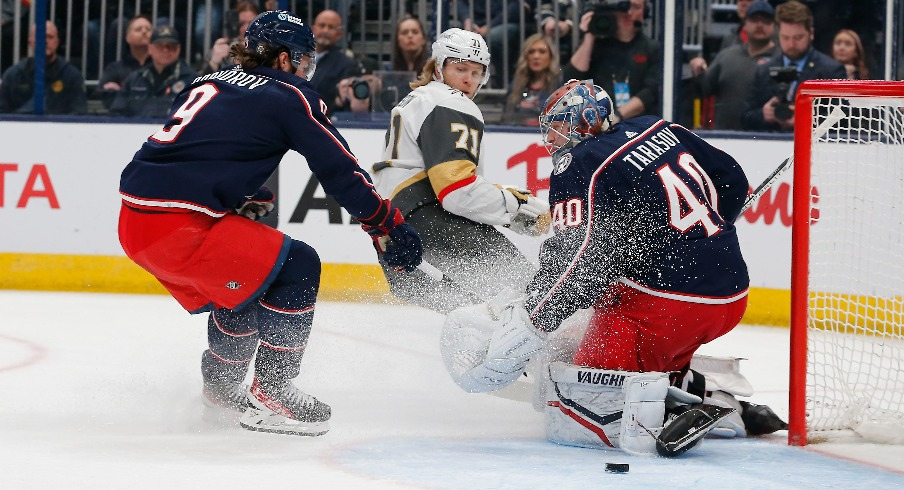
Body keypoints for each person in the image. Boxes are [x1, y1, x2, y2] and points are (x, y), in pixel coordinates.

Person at [118, 10, 423, 437]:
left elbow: (198, 143)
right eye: (301, 59)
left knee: (247, 284)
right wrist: (387, 223)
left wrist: (244, 191)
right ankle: (273, 392)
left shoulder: (208, 81)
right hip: (180, 225)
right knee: (297, 266)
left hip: (135, 221)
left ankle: (222, 390)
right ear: (282, 59)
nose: (304, 70)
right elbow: (340, 171)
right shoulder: (289, 95)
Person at [439, 79, 767, 456]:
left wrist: (534, 320)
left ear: (585, 120)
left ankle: (657, 412)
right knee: (614, 294)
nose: (553, 138)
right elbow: (734, 182)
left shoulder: (579, 164)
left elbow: (573, 256)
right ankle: (711, 396)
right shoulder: (657, 126)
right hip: (732, 295)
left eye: (560, 125)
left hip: (667, 308)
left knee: (570, 399)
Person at [370, 28, 550, 314]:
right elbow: (456, 191)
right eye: (460, 68)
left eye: (477, 72)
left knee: (481, 318)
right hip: (429, 222)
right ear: (439, 68)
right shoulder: (451, 102)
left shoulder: (418, 100)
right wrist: (520, 208)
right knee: (533, 296)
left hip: (395, 234)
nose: (469, 80)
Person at [741, 0, 846, 132]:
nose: (791, 44)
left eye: (798, 37)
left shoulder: (831, 71)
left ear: (811, 34)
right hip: (768, 147)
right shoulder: (763, 71)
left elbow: (844, 121)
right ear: (778, 35)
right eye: (785, 37)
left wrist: (807, 119)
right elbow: (744, 117)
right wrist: (763, 114)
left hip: (814, 149)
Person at [563, 0, 660, 121]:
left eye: (635, 7)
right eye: (623, 7)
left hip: (639, 124)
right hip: (597, 122)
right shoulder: (595, 45)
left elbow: (651, 91)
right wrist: (589, 34)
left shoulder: (653, 48)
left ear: (644, 12)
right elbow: (571, 79)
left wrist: (617, 116)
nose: (628, 12)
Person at [692, 1, 777, 130]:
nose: (760, 25)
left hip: (767, 138)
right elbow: (705, 88)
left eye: (766, 21)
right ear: (745, 24)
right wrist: (697, 69)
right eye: (754, 20)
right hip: (724, 137)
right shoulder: (727, 55)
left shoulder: (782, 59)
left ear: (774, 26)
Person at [0, 20, 87, 115]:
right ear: (30, 42)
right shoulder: (13, 75)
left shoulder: (72, 76)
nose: (45, 41)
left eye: (50, 37)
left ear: (57, 42)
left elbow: (78, 113)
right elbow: (3, 113)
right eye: (40, 37)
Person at [110, 25, 197, 118]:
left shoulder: (192, 80)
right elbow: (117, 113)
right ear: (150, 49)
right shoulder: (135, 79)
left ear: (179, 49)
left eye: (171, 46)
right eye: (160, 46)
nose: (165, 50)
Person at [502, 33, 560, 126]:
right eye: (531, 52)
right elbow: (506, 118)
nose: (536, 56)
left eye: (542, 52)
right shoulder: (516, 86)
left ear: (551, 56)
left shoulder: (560, 87)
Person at [95, 15, 152, 109]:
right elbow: (103, 94)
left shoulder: (160, 66)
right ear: (127, 37)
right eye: (138, 29)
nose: (144, 32)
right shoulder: (115, 68)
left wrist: (121, 92)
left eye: (148, 29)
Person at [309, 9, 356, 115]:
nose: (325, 31)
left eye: (331, 27)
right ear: (313, 29)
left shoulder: (346, 64)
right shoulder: (296, 58)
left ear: (339, 34)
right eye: (322, 25)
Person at [201, 1, 260, 75]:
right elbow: (199, 83)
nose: (246, 28)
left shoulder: (266, 52)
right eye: (241, 23)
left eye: (251, 23)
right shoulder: (220, 48)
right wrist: (214, 63)